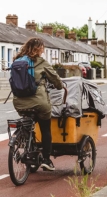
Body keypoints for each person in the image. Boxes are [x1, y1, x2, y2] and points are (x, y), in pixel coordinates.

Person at [12, 37, 63, 171]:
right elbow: (55, 79)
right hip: (39, 102)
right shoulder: (41, 62)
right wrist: (60, 86)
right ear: (39, 49)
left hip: (18, 101)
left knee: (28, 124)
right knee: (45, 128)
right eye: (42, 48)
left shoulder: (17, 61)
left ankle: (27, 144)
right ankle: (46, 159)